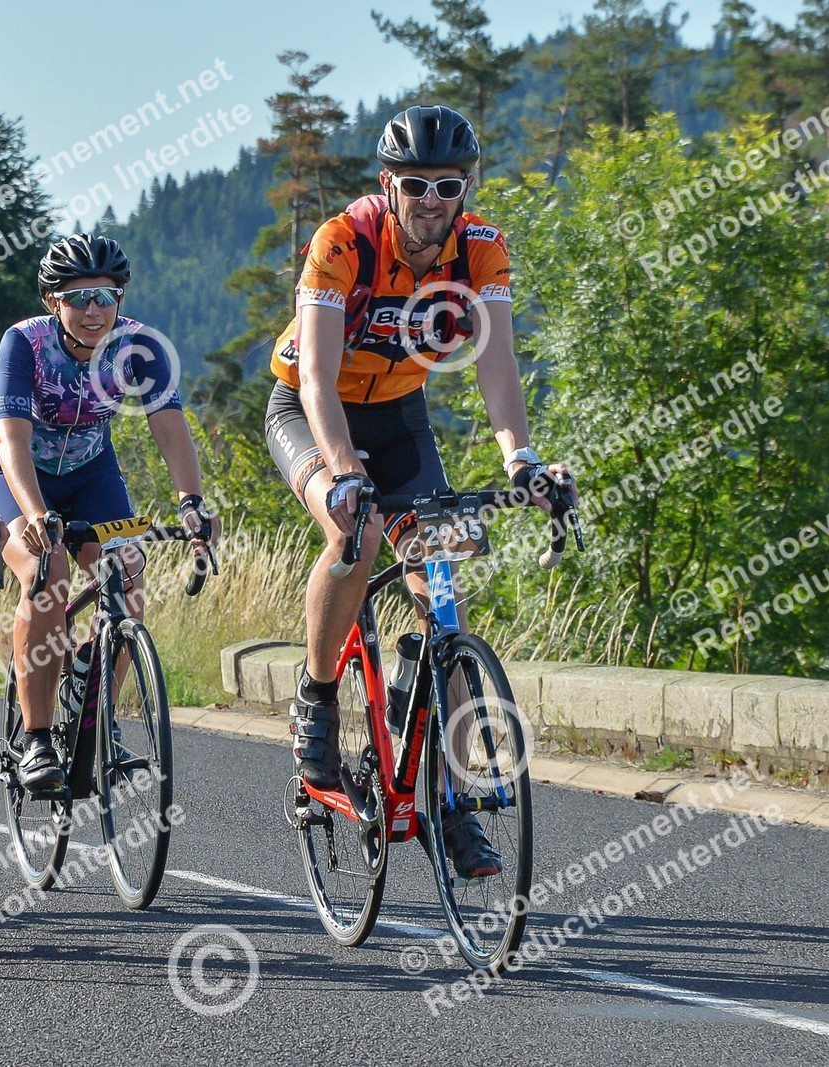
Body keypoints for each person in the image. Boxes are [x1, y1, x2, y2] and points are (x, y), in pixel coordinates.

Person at [264, 105, 572, 879]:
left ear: (466, 186)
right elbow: (317, 379)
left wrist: (522, 460)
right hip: (309, 410)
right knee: (355, 532)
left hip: (401, 418)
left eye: (446, 184)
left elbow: (497, 363)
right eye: (414, 185)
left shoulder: (481, 248)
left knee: (445, 607)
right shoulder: (343, 241)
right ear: (388, 184)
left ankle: (451, 801)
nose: (431, 199)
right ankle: (318, 696)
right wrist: (344, 472)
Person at [0, 233, 214, 792]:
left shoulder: (138, 344)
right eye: (78, 297)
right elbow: (11, 439)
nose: (94, 310)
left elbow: (169, 426)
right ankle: (37, 739)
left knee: (127, 573)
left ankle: (98, 708)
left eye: (106, 296)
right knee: (47, 576)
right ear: (53, 301)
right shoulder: (24, 343)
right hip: (19, 478)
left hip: (93, 474)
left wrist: (191, 502)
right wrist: (35, 513)